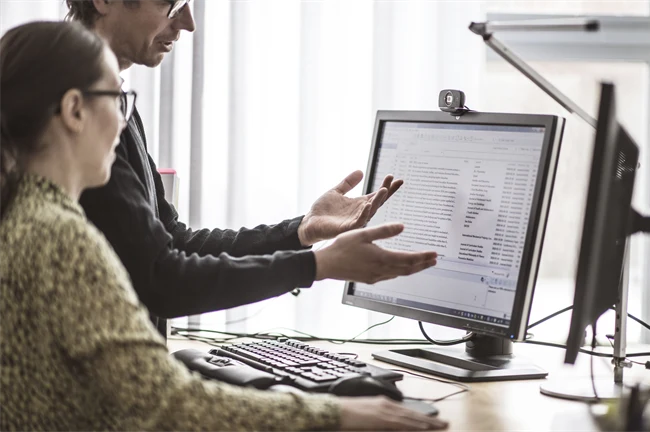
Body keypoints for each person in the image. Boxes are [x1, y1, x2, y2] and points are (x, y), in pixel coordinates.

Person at [0, 20, 447, 431]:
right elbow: (169, 403)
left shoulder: (23, 216)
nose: (123, 118)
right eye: (117, 99)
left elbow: (172, 243)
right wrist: (337, 414)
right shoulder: (60, 238)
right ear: (74, 110)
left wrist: (302, 232)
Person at [63, 0, 422, 332]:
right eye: (172, 4)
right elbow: (161, 280)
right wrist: (319, 265)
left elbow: (174, 243)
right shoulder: (76, 115)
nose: (187, 23)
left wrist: (301, 231)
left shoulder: (113, 103)